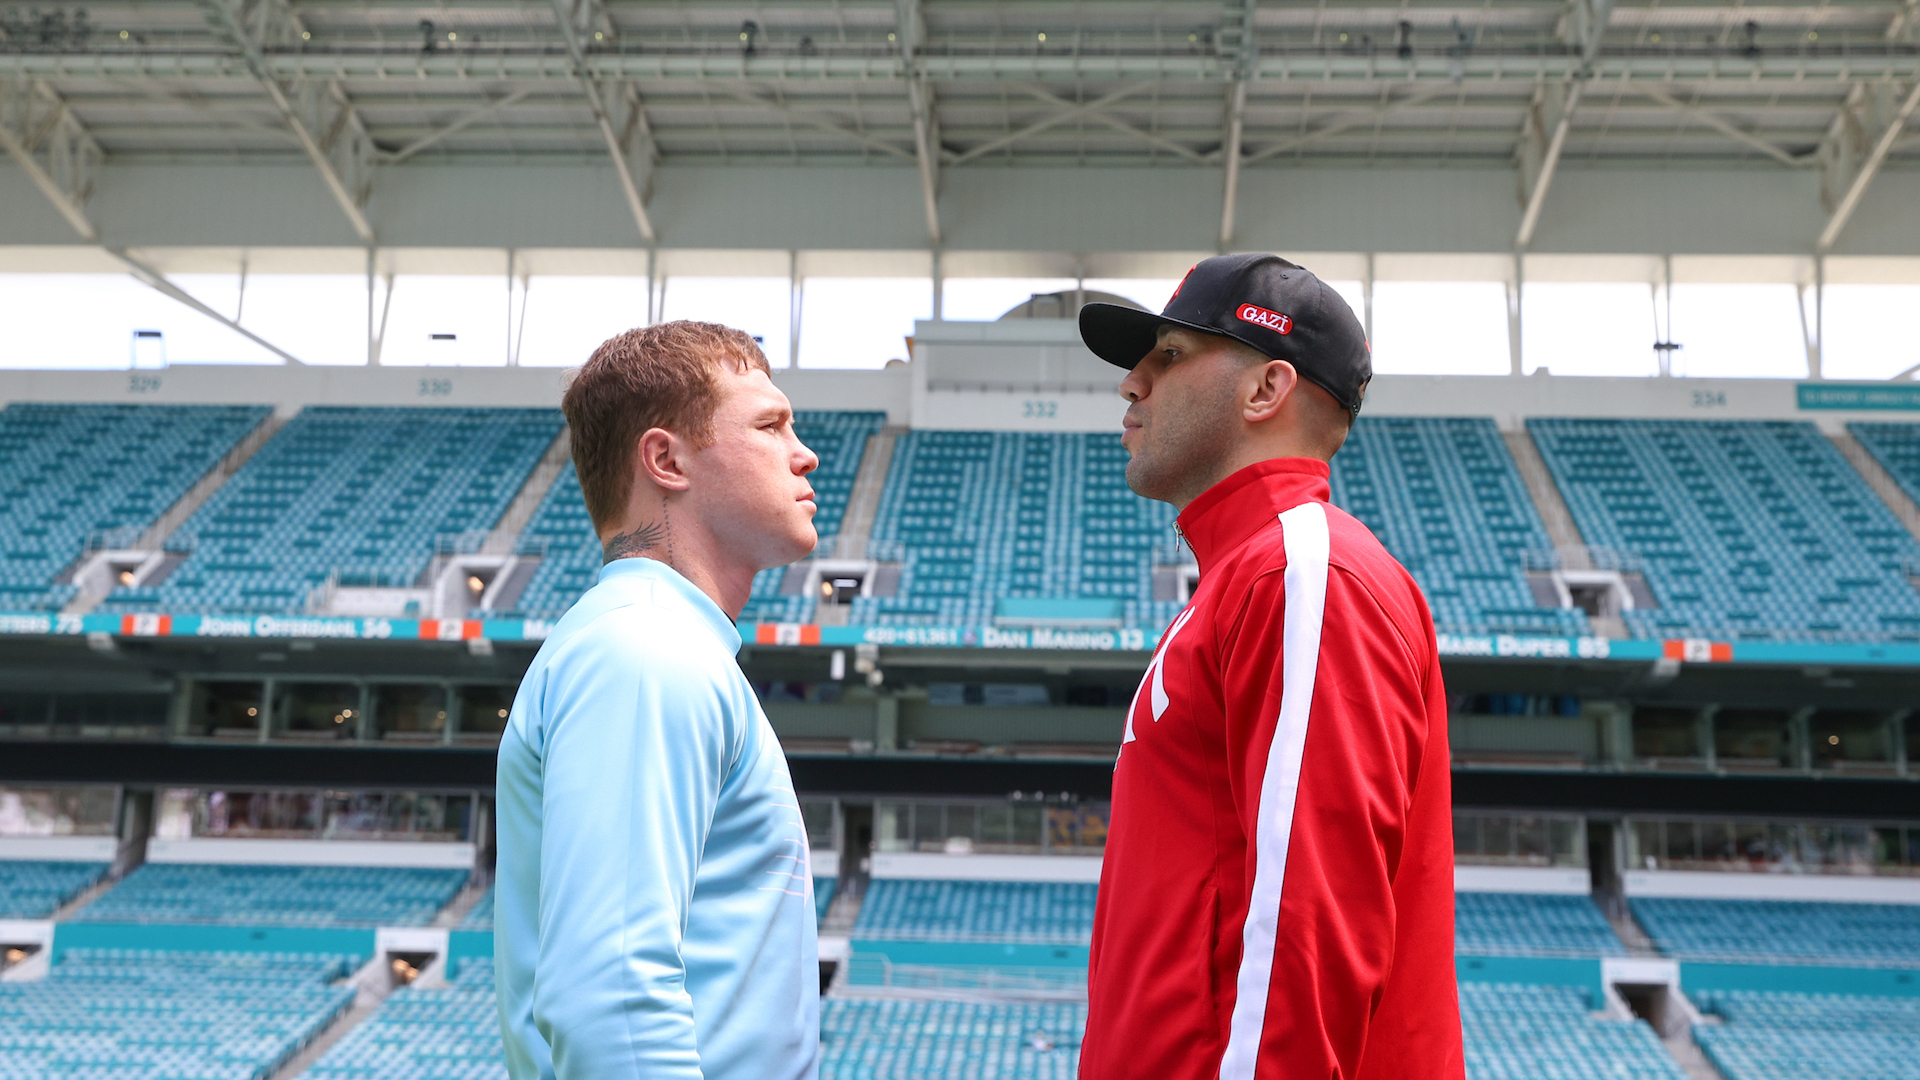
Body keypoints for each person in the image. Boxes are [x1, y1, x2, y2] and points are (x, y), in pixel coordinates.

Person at [1075, 254, 1464, 1079]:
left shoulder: (1298, 571)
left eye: (1169, 356)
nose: (1131, 385)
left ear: (1266, 390)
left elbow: (1307, 923)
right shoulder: (1251, 575)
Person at [493, 321, 822, 1080]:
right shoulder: (645, 650)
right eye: (770, 425)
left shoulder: (661, 643)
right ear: (666, 459)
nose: (804, 453)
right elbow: (611, 994)